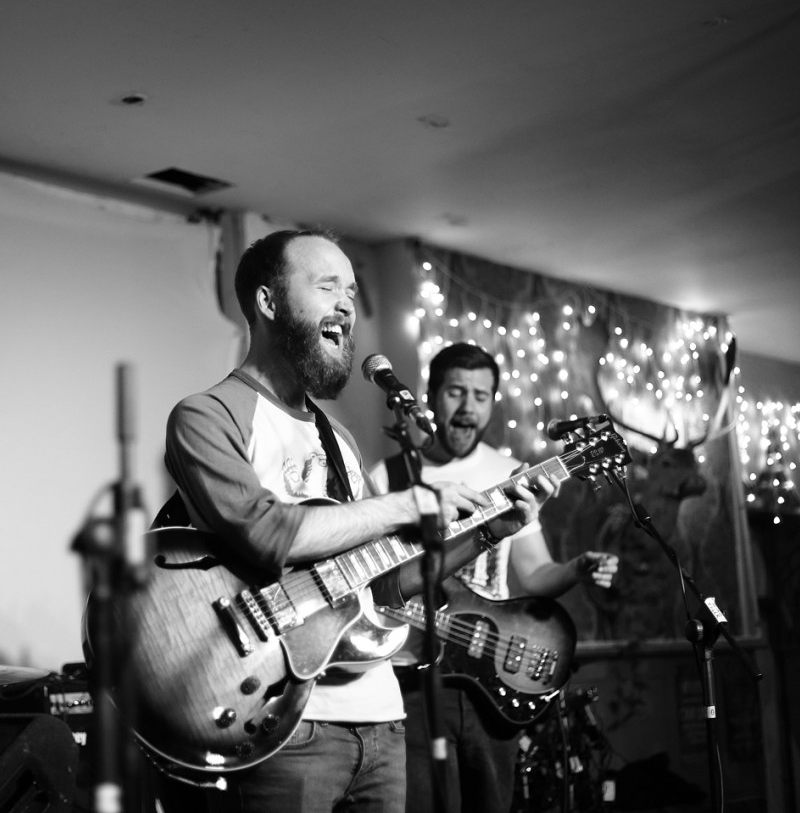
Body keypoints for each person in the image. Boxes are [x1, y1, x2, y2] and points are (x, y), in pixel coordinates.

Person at [153, 231, 558, 813]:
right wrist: (406, 504)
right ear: (268, 302)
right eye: (327, 287)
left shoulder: (338, 440)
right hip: (286, 727)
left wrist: (493, 529)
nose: (346, 304)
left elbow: (389, 582)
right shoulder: (208, 414)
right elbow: (266, 533)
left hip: (382, 721)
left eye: (350, 290)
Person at [369, 342, 619, 813]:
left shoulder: (508, 471)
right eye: (455, 392)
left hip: (493, 678)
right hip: (416, 678)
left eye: (481, 396)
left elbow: (535, 574)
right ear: (431, 396)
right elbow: (377, 588)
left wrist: (576, 569)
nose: (468, 407)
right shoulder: (388, 476)